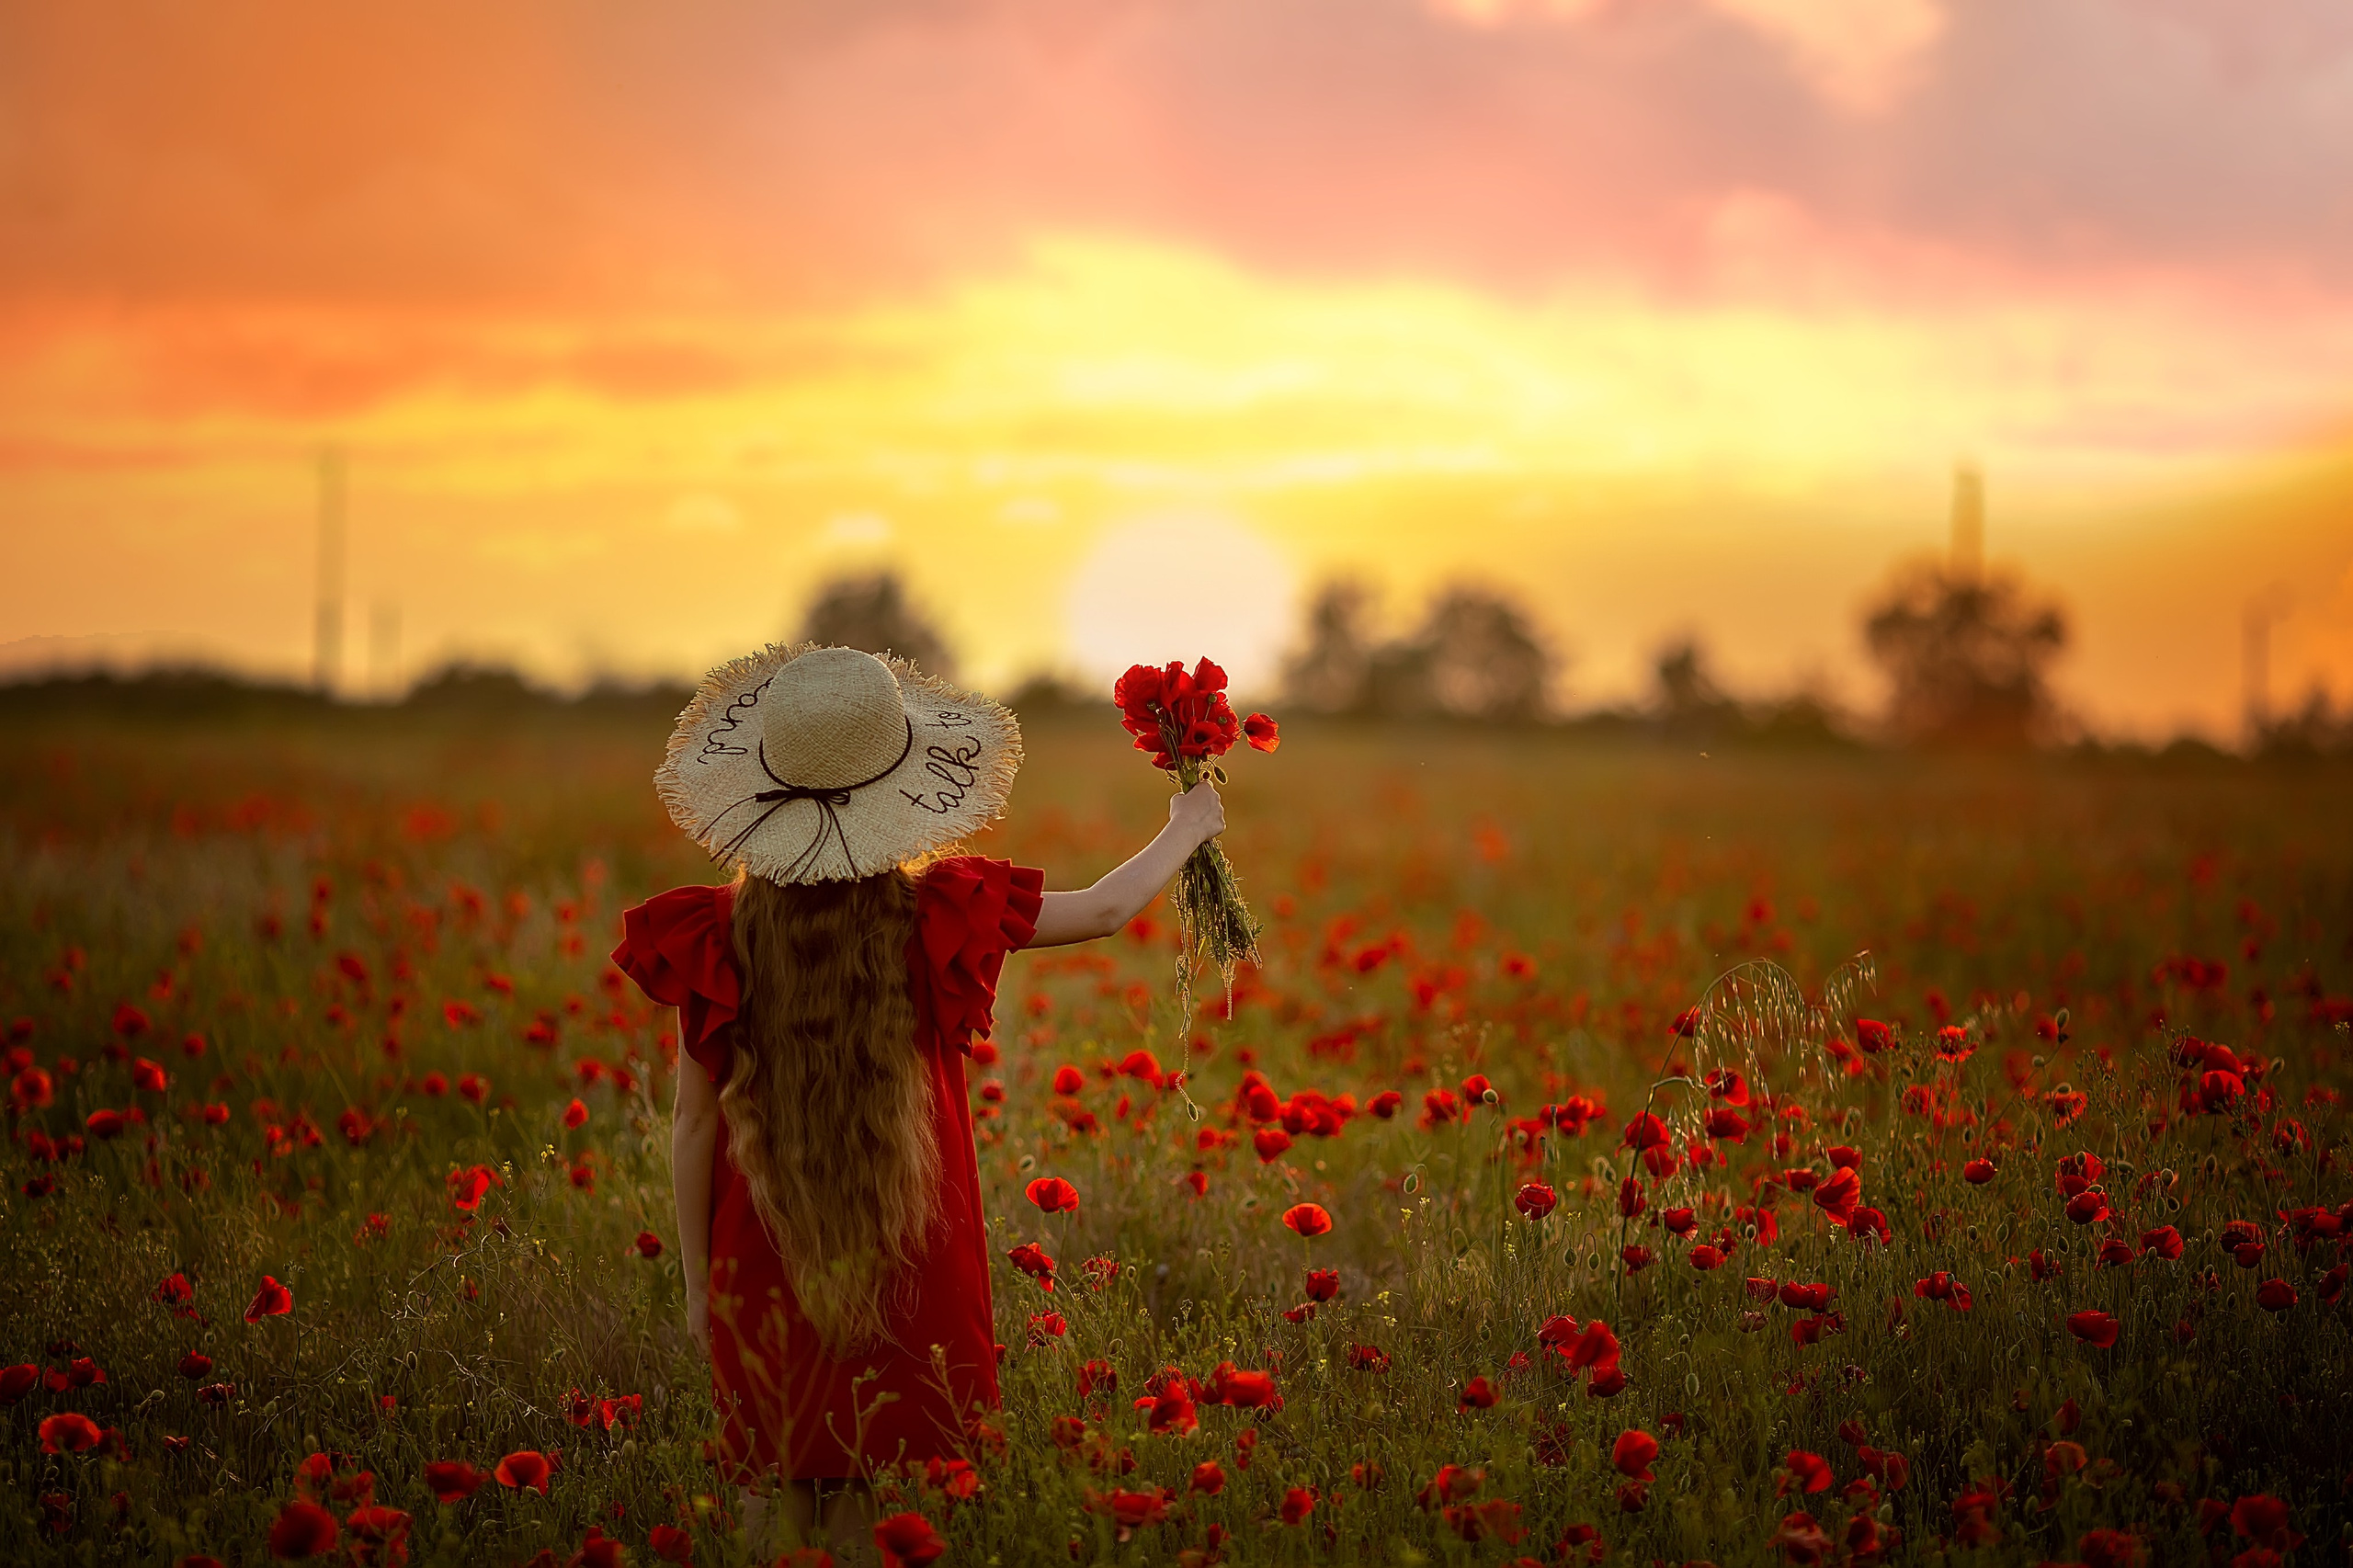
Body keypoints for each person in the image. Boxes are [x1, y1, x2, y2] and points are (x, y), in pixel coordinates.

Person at [610, 643, 1222, 1554]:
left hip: (761, 1250)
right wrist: (1188, 825)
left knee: (773, 1489)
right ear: (898, 792)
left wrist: (702, 1287)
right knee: (876, 1501)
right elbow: (1102, 909)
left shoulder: (716, 932)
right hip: (907, 1241)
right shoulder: (935, 911)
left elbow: (694, 1123)